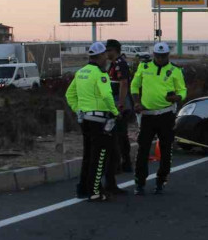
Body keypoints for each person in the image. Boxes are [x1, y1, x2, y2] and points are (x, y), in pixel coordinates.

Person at [65, 42, 120, 201]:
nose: (107, 59)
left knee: (88, 155)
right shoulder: (100, 74)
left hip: (86, 120)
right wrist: (115, 112)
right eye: (105, 56)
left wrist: (78, 110)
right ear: (101, 56)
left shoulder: (81, 72)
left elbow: (69, 95)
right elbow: (107, 96)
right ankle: (95, 191)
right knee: (100, 155)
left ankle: (83, 188)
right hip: (99, 120)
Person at [130, 42, 187, 195]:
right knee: (143, 149)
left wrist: (177, 97)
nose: (161, 59)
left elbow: (183, 90)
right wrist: (136, 102)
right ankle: (139, 183)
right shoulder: (144, 67)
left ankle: (161, 181)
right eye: (158, 56)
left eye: (164, 56)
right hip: (147, 116)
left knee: (166, 149)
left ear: (168, 55)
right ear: (154, 55)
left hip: (166, 115)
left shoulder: (175, 70)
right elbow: (134, 86)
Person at [105, 39, 134, 173]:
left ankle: (124, 163)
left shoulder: (120, 64)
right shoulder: (113, 64)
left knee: (120, 135)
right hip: (114, 101)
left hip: (120, 103)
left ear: (114, 50)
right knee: (116, 135)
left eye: (108, 50)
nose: (106, 52)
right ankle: (120, 163)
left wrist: (120, 104)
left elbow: (123, 83)